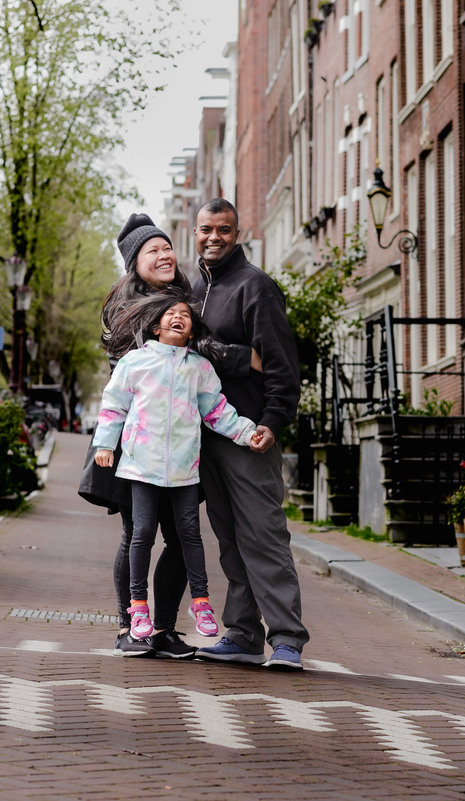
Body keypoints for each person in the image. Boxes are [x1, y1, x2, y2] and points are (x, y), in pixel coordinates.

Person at [99, 212, 260, 659]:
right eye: (152, 250)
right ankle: (130, 625)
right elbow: (126, 382)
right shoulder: (127, 305)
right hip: (140, 446)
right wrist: (107, 444)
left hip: (183, 449)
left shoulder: (186, 299)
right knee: (138, 533)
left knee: (180, 537)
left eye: (167, 246)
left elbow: (202, 360)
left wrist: (233, 356)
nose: (164, 254)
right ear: (135, 263)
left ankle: (165, 628)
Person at [190, 198, 309, 671]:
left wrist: (271, 423)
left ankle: (287, 640)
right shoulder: (196, 287)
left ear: (237, 234)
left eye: (223, 229)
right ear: (194, 233)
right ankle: (242, 633)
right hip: (207, 435)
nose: (213, 237)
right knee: (229, 538)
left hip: (249, 435)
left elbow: (283, 366)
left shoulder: (256, 286)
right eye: (205, 229)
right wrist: (234, 356)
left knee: (263, 535)